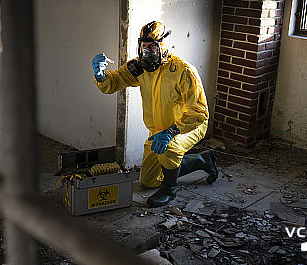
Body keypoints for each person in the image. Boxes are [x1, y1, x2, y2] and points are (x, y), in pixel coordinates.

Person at [91, 21, 218, 206]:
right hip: (159, 130)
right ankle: (201, 160)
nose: (147, 51)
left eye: (152, 46)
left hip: (189, 126)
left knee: (170, 148)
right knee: (149, 180)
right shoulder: (140, 68)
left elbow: (199, 112)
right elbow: (116, 80)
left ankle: (169, 190)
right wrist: (101, 75)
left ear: (163, 45)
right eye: (144, 46)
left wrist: (171, 132)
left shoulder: (183, 71)